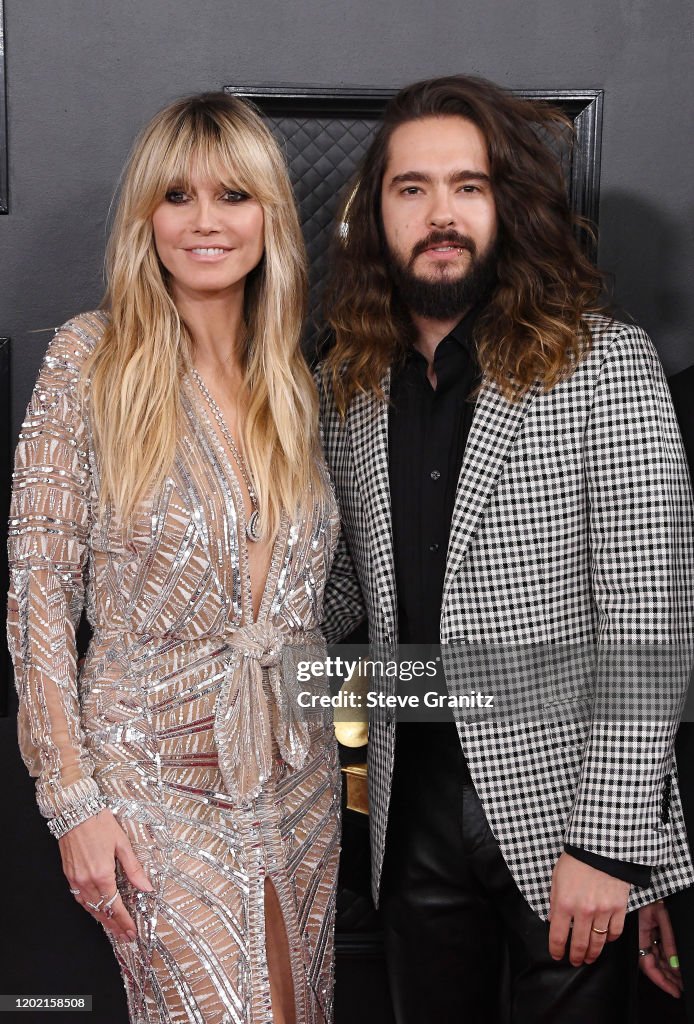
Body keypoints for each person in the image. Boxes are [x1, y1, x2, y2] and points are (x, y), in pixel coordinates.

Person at [318, 75, 694, 1022]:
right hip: (407, 818)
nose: (440, 214)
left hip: (566, 823)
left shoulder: (606, 361)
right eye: (413, 189)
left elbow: (650, 621)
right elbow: (335, 609)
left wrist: (613, 847)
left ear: (507, 207)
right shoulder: (343, 384)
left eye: (468, 186)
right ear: (379, 216)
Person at [8, 93, 340, 1024]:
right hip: (150, 777)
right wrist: (73, 802)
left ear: (269, 215)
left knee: (297, 1007)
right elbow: (37, 589)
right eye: (177, 196)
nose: (205, 221)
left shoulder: (296, 384)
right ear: (144, 219)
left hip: (295, 771)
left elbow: (319, 598)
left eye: (234, 195)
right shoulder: (91, 358)